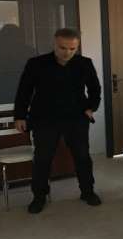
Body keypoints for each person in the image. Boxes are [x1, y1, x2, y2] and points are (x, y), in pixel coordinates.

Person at [14, 28, 101, 214]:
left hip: (76, 117)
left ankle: (87, 191)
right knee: (42, 158)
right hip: (44, 118)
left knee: (82, 156)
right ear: (54, 44)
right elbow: (24, 90)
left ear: (77, 46)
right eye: (62, 48)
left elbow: (95, 89)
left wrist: (91, 107)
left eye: (72, 49)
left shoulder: (84, 63)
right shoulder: (36, 64)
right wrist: (20, 116)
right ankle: (39, 196)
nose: (67, 52)